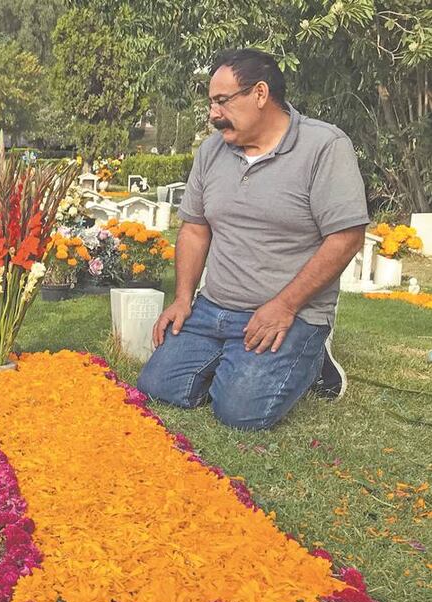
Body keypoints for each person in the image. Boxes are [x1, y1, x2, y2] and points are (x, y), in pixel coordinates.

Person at [136, 48, 368, 431]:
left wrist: (284, 306)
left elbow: (346, 237)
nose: (213, 114)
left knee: (240, 412)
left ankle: (315, 361)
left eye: (222, 101)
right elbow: (195, 227)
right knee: (158, 386)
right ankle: (240, 357)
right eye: (211, 102)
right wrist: (181, 299)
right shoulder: (212, 151)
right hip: (215, 307)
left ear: (260, 94)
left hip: (289, 312)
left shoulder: (324, 147)